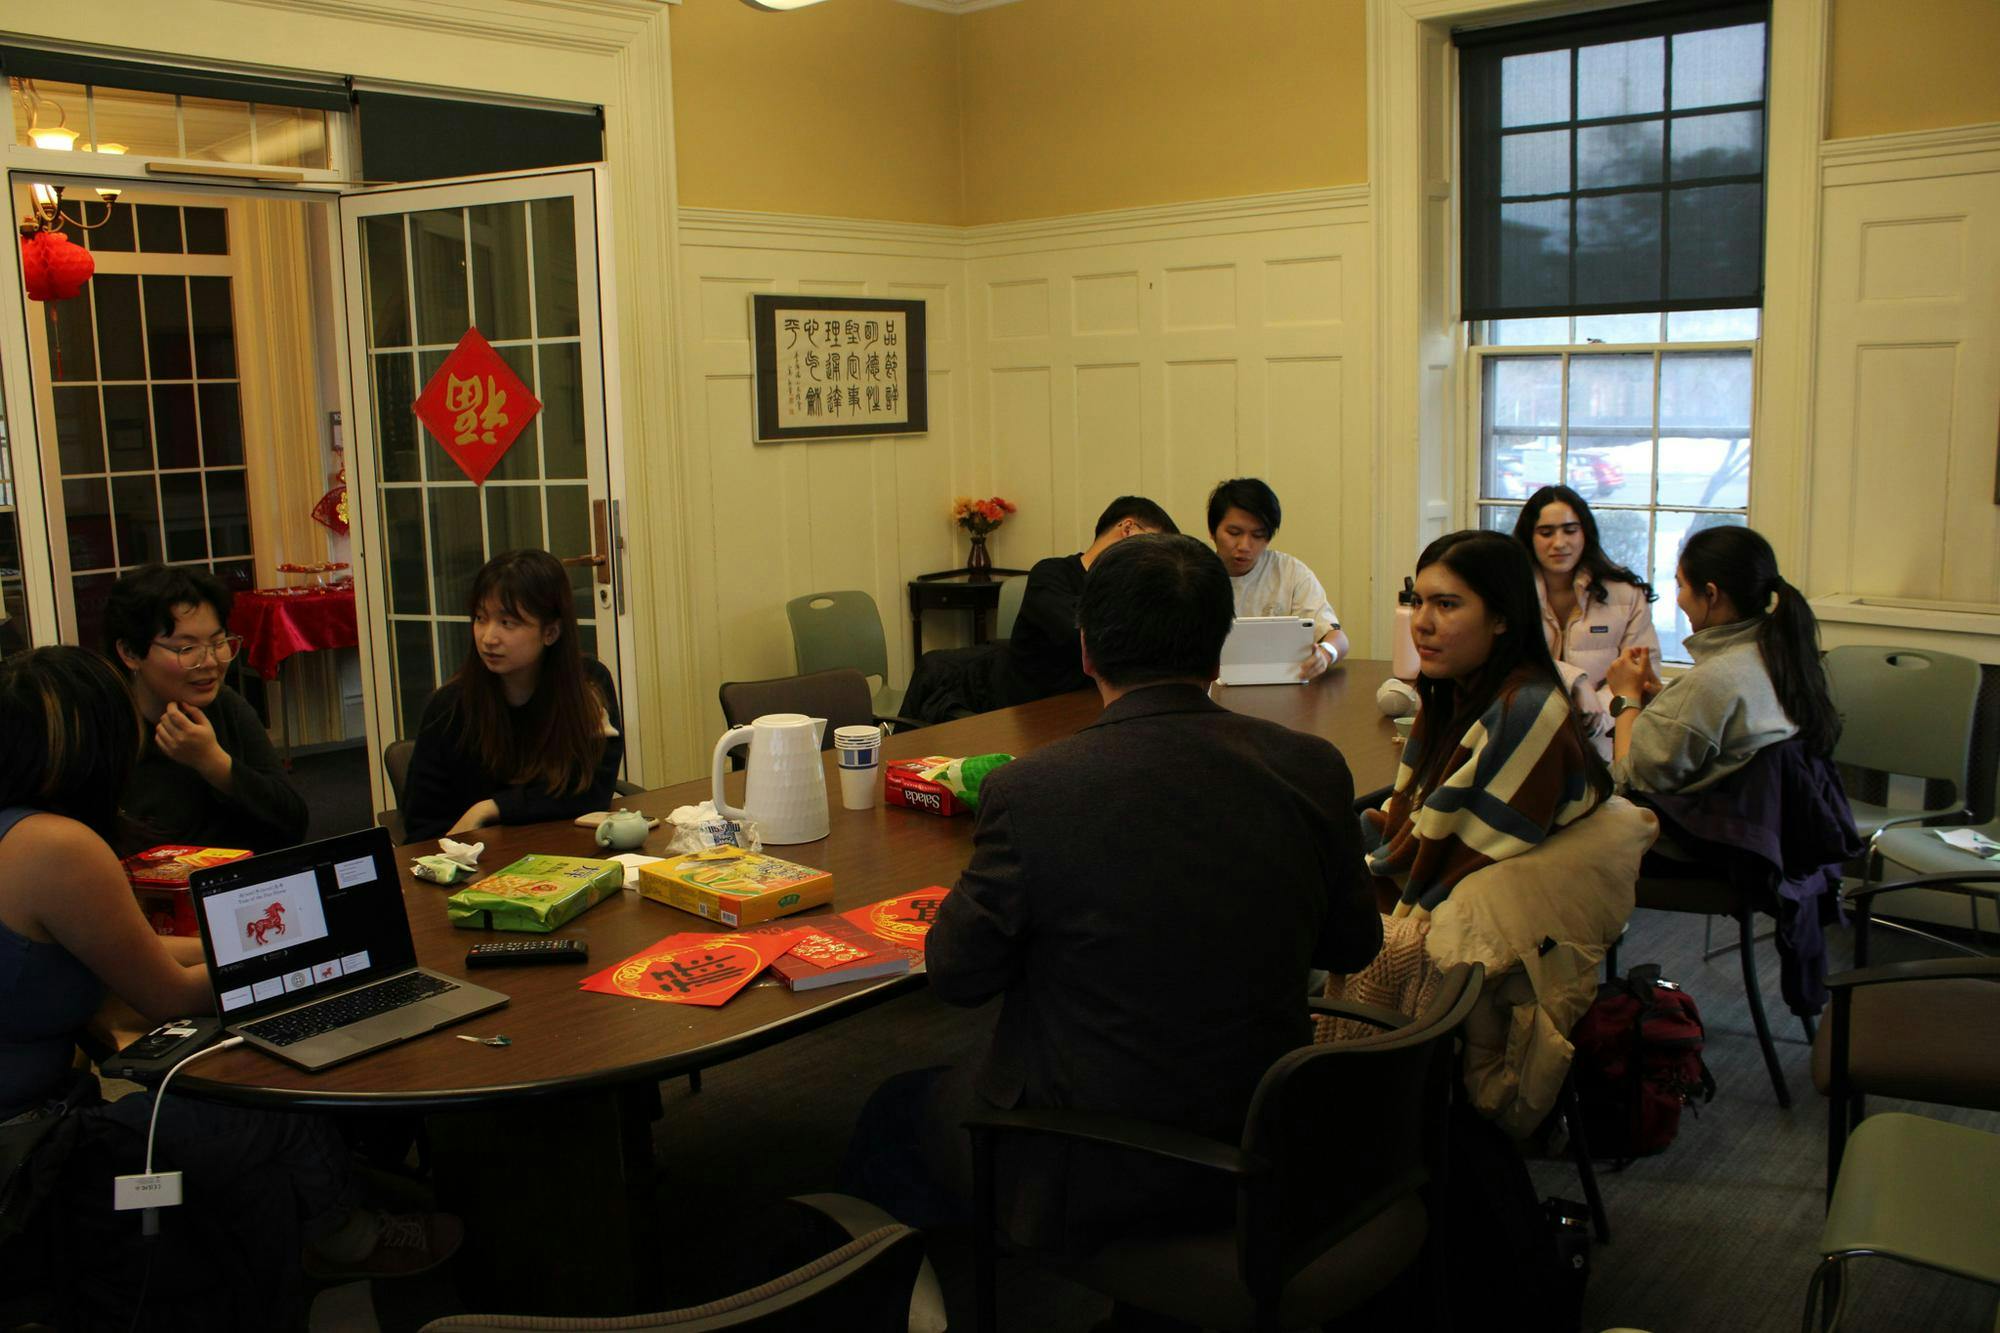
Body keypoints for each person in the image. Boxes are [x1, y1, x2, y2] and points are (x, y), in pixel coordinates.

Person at [850, 534, 1381, 1269]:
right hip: (1271, 1122)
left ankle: (937, 1295)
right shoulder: (1309, 766)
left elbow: (958, 974)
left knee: (890, 1114)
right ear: (1219, 644)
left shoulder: (1034, 790)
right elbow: (1352, 944)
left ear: (1086, 650)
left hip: (1100, 1156)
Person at [0, 647, 458, 1326]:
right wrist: (313, 962)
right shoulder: (58, 847)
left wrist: (278, 944)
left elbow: (133, 945)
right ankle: (341, 1236)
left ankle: (312, 1243)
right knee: (267, 1099)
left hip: (34, 1120)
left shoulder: (17, 831)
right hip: (31, 1156)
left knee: (247, 1128)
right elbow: (170, 994)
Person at [1367, 529, 1608, 922]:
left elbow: (1451, 866)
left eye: (1446, 604)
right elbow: (1414, 823)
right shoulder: (1452, 691)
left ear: (1501, 618)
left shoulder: (1527, 709)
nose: (1422, 623)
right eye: (1418, 602)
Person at [401, 550, 625, 843]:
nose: (488, 638)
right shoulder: (450, 707)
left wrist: (492, 808)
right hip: (473, 865)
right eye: (481, 618)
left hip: (563, 854)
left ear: (551, 631)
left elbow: (592, 791)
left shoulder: (588, 686)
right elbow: (423, 827)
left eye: (507, 623)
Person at [1606, 525, 1840, 796]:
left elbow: (1629, 783)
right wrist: (1667, 701)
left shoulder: (1711, 681)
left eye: (1681, 585)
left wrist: (1626, 698)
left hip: (1690, 834)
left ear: (1711, 594)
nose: (1679, 597)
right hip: (1768, 831)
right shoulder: (1785, 656)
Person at [900, 496, 1177, 723]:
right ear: (1128, 528)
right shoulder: (1051, 574)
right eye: (1154, 547)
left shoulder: (1124, 590)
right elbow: (1082, 632)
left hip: (1076, 710)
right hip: (1014, 708)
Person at [103, 564, 308, 856]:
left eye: (218, 642)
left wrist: (214, 762)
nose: (210, 662)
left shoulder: (226, 706)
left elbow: (293, 823)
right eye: (187, 649)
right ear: (130, 653)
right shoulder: (104, 726)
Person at [1511, 485, 1658, 744]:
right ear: (1529, 538)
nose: (1559, 543)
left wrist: (1598, 714)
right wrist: (1574, 681)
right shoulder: (1509, 591)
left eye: (1570, 530)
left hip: (1602, 742)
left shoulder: (1626, 594)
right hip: (1524, 732)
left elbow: (1640, 670)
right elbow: (1507, 660)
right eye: (1546, 533)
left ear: (1585, 533)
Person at [1207, 477, 1350, 679]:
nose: (1245, 546)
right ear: (1212, 532)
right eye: (1234, 532)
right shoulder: (1196, 574)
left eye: (1258, 535)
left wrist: (1326, 654)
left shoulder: (1290, 573)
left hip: (1283, 688)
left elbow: (1338, 638)